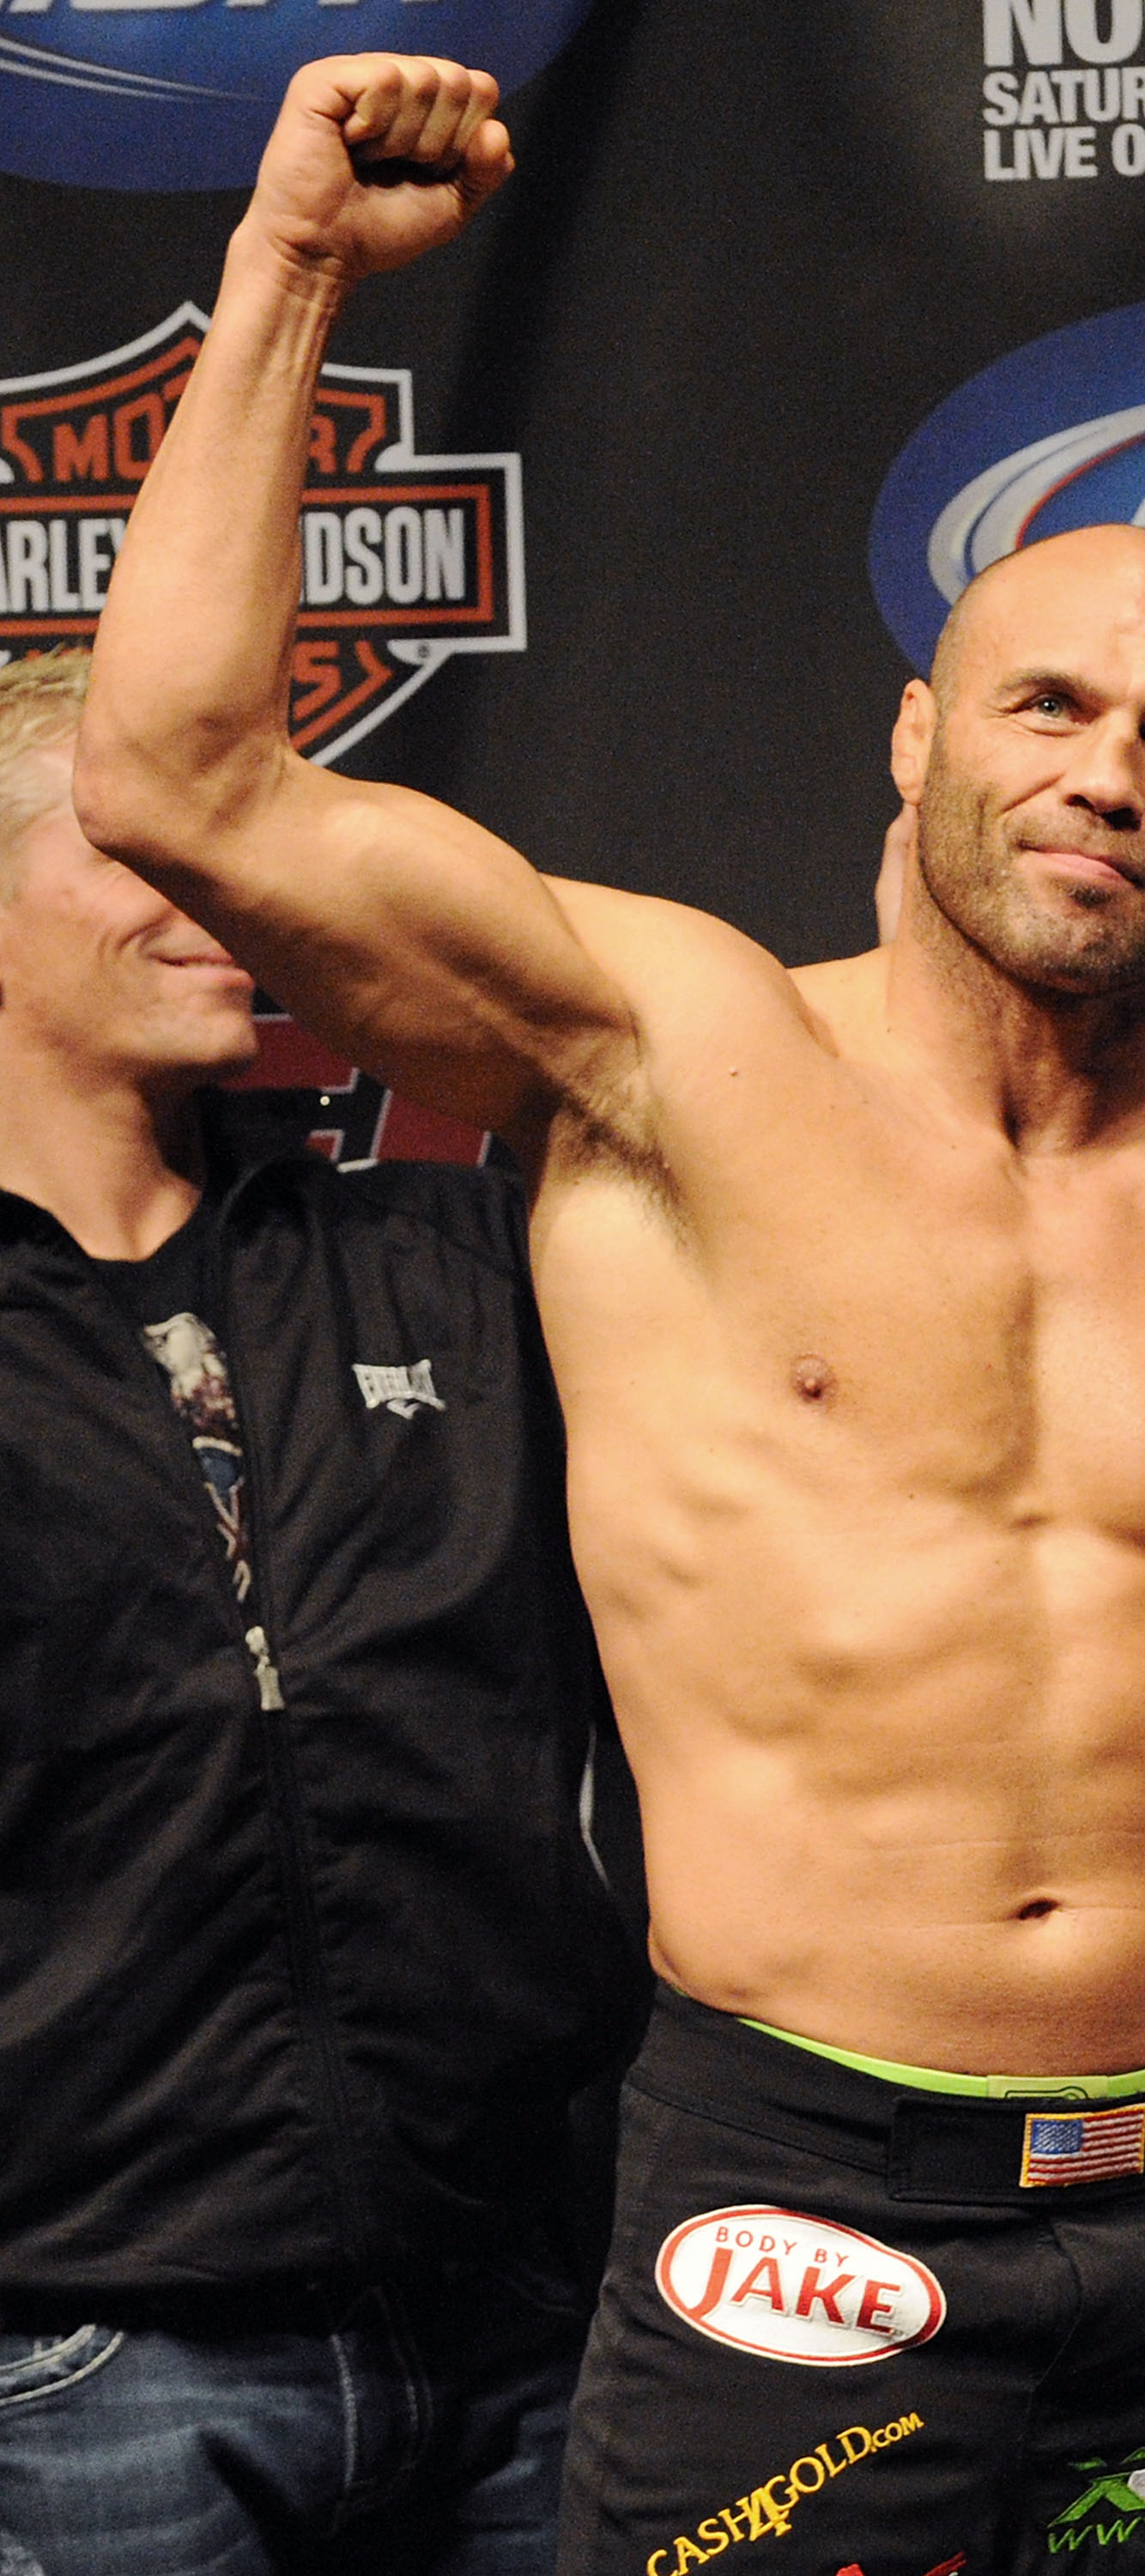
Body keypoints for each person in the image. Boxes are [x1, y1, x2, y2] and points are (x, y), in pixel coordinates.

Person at [74, 55, 1145, 2576]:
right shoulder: (674, 1055)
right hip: (791, 2197)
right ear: (913, 743)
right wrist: (295, 273)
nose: (1107, 770)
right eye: (1046, 703)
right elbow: (180, 777)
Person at [0, 648, 642, 2575]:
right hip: (89, 2365)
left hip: (531, 2324)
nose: (221, 892)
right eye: (136, 842)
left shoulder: (459, 1259)